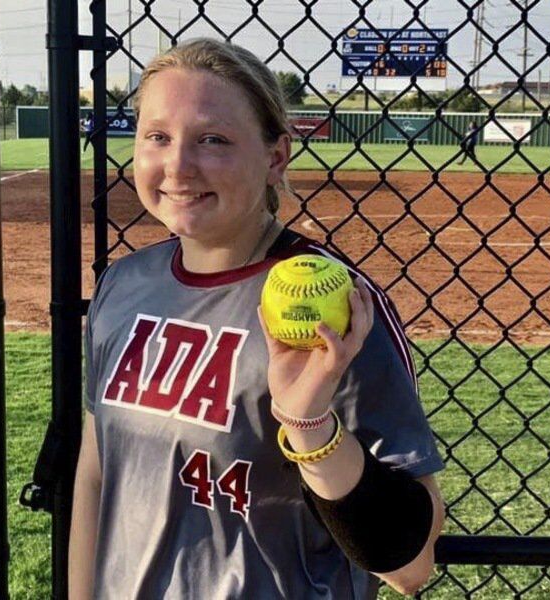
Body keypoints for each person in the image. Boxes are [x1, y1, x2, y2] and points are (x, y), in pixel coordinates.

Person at [69, 38, 445, 600]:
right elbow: (97, 475)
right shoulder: (123, 285)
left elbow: (411, 566)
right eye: (157, 137)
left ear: (275, 158)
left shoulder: (341, 313)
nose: (176, 165)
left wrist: (308, 422)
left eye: (212, 139)